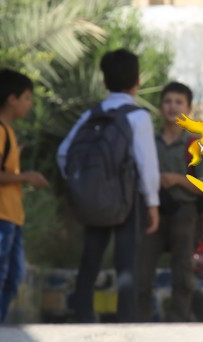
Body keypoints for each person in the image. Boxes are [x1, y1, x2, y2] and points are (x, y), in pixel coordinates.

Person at [58, 49, 158, 324]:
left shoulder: (90, 115)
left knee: (90, 257)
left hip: (94, 197)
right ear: (137, 81)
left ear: (104, 82)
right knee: (126, 261)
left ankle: (82, 314)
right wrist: (152, 204)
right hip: (127, 200)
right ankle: (126, 317)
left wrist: (82, 184)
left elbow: (63, 153)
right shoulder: (138, 117)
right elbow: (146, 164)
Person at [0, 68, 49, 326]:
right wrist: (27, 177)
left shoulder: (6, 130)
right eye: (27, 98)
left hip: (12, 215)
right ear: (12, 99)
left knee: (14, 275)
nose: (29, 104)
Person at [135, 81, 203, 322]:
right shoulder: (148, 142)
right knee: (142, 270)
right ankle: (140, 322)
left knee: (183, 272)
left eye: (179, 102)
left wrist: (177, 179)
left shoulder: (195, 145)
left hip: (183, 213)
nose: (172, 107)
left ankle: (178, 321)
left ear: (188, 109)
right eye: (167, 101)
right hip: (152, 210)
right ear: (160, 107)